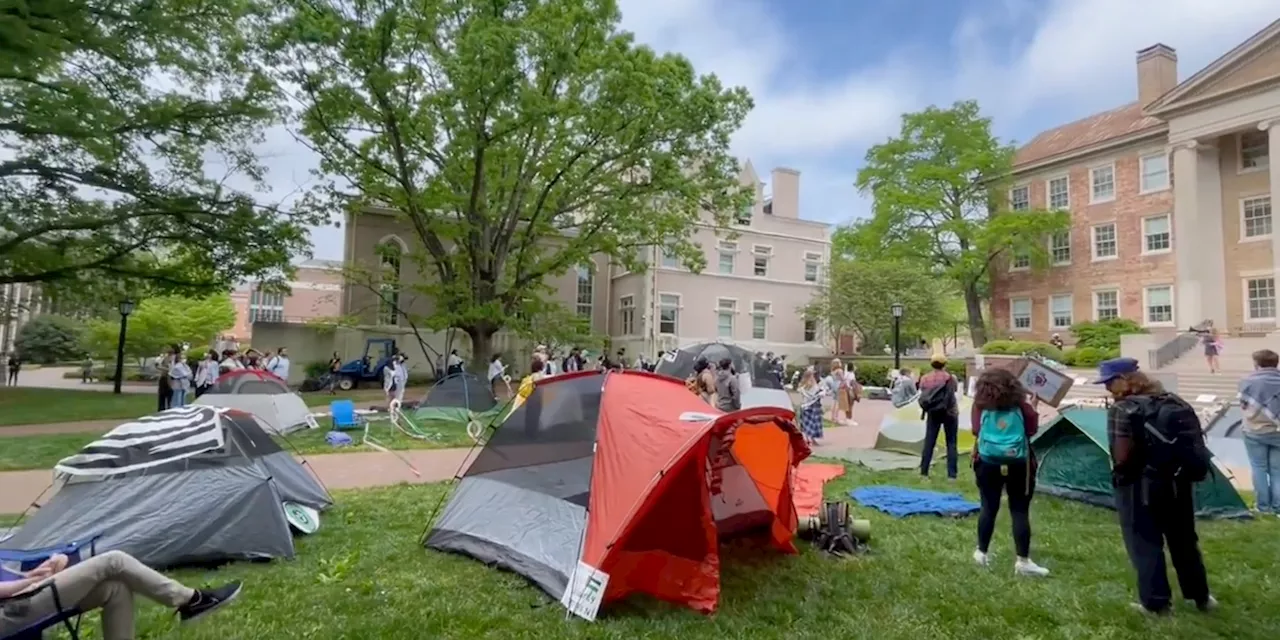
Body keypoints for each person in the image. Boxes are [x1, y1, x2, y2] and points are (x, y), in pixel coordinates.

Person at [1095, 357, 1216, 615]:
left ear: (1124, 380)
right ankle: (1200, 596)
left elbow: (1122, 456)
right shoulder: (1174, 401)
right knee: (1184, 540)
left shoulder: (1123, 409)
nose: (1106, 388)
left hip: (1139, 486)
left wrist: (1119, 475)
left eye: (1109, 382)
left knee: (1144, 543)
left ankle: (1156, 603)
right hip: (1178, 482)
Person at [0, 549, 241, 640]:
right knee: (114, 561)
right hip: (9, 612)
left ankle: (192, 601)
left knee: (116, 588)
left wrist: (34, 573)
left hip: (21, 595)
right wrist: (30, 582)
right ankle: (192, 600)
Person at [970, 368, 1049, 576]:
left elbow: (976, 431)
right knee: (1020, 511)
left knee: (988, 506)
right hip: (1020, 463)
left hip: (986, 461)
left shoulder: (979, 405)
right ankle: (1023, 561)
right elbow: (1031, 430)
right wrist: (1033, 408)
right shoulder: (1022, 406)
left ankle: (981, 553)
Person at [1239, 348, 1280, 516]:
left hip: (1254, 431)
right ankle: (1278, 506)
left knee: (1259, 468)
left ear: (1257, 364)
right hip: (1278, 432)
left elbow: (1244, 405)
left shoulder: (1247, 381)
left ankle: (1263, 507)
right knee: (1277, 470)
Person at [917, 354, 960, 480]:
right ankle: (952, 475)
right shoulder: (950, 378)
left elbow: (923, 392)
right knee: (951, 443)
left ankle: (924, 472)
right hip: (949, 412)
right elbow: (955, 390)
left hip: (932, 412)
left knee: (929, 442)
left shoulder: (925, 378)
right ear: (945, 364)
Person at [798, 368, 826, 446]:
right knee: (811, 424)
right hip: (811, 407)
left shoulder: (803, 386)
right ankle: (809, 439)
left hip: (807, 407)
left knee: (808, 424)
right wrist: (822, 392)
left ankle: (810, 439)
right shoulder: (812, 386)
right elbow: (816, 394)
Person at [155, 345, 177, 412]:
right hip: (165, 378)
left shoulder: (172, 360)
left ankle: (167, 409)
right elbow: (157, 366)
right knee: (163, 396)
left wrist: (167, 369)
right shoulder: (165, 359)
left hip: (169, 379)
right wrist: (167, 369)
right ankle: (162, 410)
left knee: (168, 395)